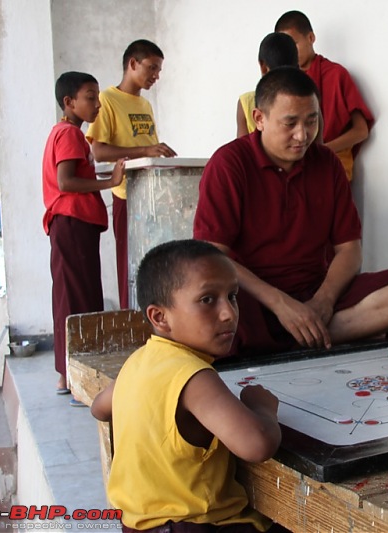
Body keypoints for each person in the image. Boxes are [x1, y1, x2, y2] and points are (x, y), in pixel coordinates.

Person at [193, 66, 388, 357]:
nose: (302, 135)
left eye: (311, 121)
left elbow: (350, 250)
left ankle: (303, 332)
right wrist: (280, 303)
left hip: (316, 293)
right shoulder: (229, 164)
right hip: (253, 299)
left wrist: (324, 301)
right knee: (207, 317)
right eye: (290, 123)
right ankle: (310, 335)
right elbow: (213, 255)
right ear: (259, 119)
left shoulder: (327, 163)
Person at [90, 239, 283, 532]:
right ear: (160, 317)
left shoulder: (137, 362)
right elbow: (257, 444)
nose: (229, 313)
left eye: (232, 296)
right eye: (207, 299)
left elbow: (99, 408)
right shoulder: (195, 377)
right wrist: (263, 408)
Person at [41, 71, 125, 404]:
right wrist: (110, 182)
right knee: (77, 299)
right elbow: (67, 182)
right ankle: (73, 377)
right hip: (71, 222)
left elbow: (78, 175)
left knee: (76, 296)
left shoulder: (67, 134)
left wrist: (108, 174)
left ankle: (69, 374)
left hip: (73, 225)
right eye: (90, 97)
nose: (98, 104)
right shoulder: (70, 135)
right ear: (69, 102)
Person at [85, 39, 177, 310]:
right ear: (132, 64)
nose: (155, 76)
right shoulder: (107, 100)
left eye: (159, 70)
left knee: (156, 267)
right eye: (151, 68)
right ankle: (130, 322)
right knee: (130, 267)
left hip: (154, 196)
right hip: (127, 194)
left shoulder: (145, 105)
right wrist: (147, 149)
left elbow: (151, 151)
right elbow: (99, 151)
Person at [275, 10, 373, 181]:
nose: (290, 52)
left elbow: (361, 130)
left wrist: (321, 150)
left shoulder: (336, 74)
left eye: (294, 44)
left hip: (331, 163)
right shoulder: (281, 83)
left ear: (311, 38)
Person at [236, 32, 300, 138]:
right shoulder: (309, 102)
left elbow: (241, 150)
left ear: (263, 66)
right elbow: (317, 151)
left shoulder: (247, 102)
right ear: (297, 66)